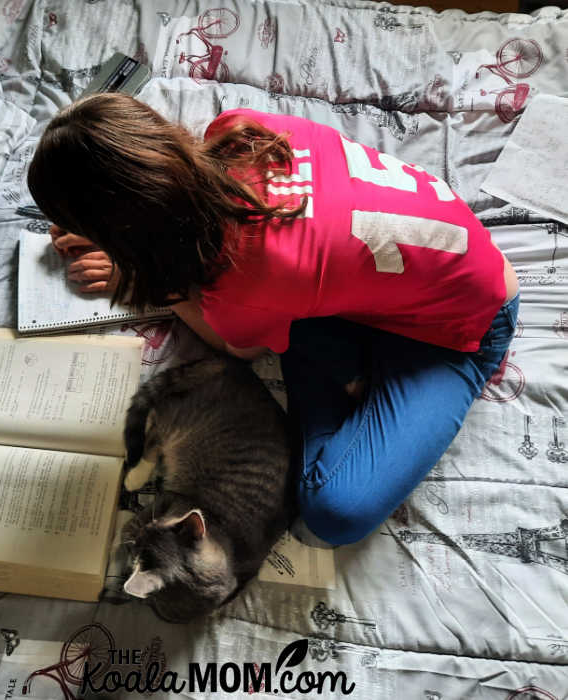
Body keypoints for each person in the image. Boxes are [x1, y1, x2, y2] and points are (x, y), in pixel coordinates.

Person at [27, 93, 519, 547]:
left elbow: (235, 345)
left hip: (464, 326)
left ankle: (347, 372)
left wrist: (146, 280)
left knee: (331, 512)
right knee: (295, 312)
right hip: (434, 256)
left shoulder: (243, 285)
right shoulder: (238, 130)